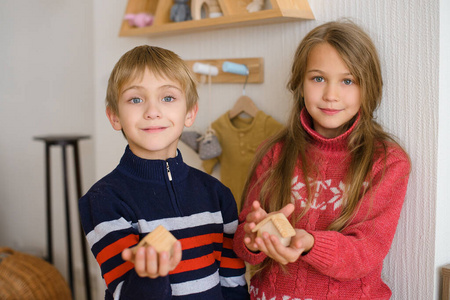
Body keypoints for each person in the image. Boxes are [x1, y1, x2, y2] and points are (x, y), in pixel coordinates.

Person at [233, 20, 411, 300]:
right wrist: (253, 238)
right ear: (299, 84)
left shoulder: (388, 162)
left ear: (369, 87)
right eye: (318, 78)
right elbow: (242, 242)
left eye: (348, 80)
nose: (330, 95)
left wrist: (310, 243)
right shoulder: (274, 152)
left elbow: (366, 251)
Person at [79, 45, 249, 299]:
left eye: (167, 98)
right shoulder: (104, 200)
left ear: (190, 113)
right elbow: (124, 293)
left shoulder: (217, 194)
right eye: (136, 99)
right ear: (114, 116)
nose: (152, 111)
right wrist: (149, 274)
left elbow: (233, 284)